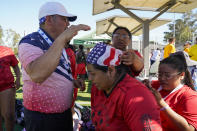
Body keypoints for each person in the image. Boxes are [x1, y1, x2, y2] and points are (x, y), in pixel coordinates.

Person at [18, 2, 90, 131]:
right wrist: (62, 38)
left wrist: (71, 82)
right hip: (42, 118)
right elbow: (37, 74)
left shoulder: (57, 44)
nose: (68, 24)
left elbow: (55, 73)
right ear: (49, 19)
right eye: (64, 19)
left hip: (62, 114)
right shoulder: (30, 41)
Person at [86, 43, 162, 130]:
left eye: (93, 74)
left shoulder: (136, 96)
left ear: (110, 70)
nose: (90, 78)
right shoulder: (97, 88)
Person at [143, 52, 197, 130]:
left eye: (167, 75)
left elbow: (189, 129)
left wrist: (162, 104)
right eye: (160, 74)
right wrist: (143, 85)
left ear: (181, 75)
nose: (162, 78)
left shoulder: (190, 96)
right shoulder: (155, 86)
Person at [0, 45, 20, 131]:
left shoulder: (6, 50)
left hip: (7, 85)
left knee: (9, 115)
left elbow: (15, 66)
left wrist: (18, 78)